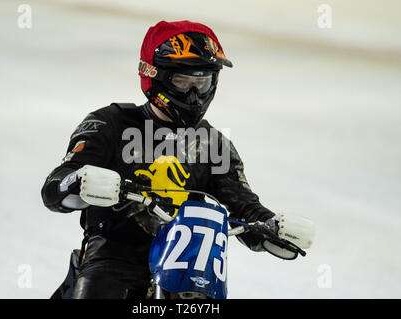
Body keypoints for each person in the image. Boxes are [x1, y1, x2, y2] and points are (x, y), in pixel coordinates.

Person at [41, 20, 308, 299]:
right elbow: (55, 186)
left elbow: (243, 205)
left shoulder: (213, 143)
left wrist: (272, 226)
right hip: (115, 258)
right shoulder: (110, 123)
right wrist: (79, 181)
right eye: (182, 82)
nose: (193, 95)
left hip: (191, 269)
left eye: (201, 83)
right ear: (155, 76)